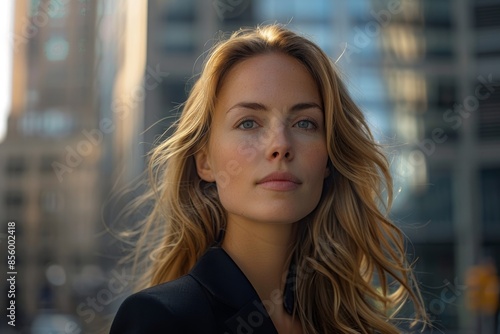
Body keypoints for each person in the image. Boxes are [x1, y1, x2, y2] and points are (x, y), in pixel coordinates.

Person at [109, 24, 428, 333]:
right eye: (248, 123)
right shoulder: (161, 319)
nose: (280, 145)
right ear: (205, 162)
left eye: (305, 124)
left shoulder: (354, 326)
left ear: (329, 159)